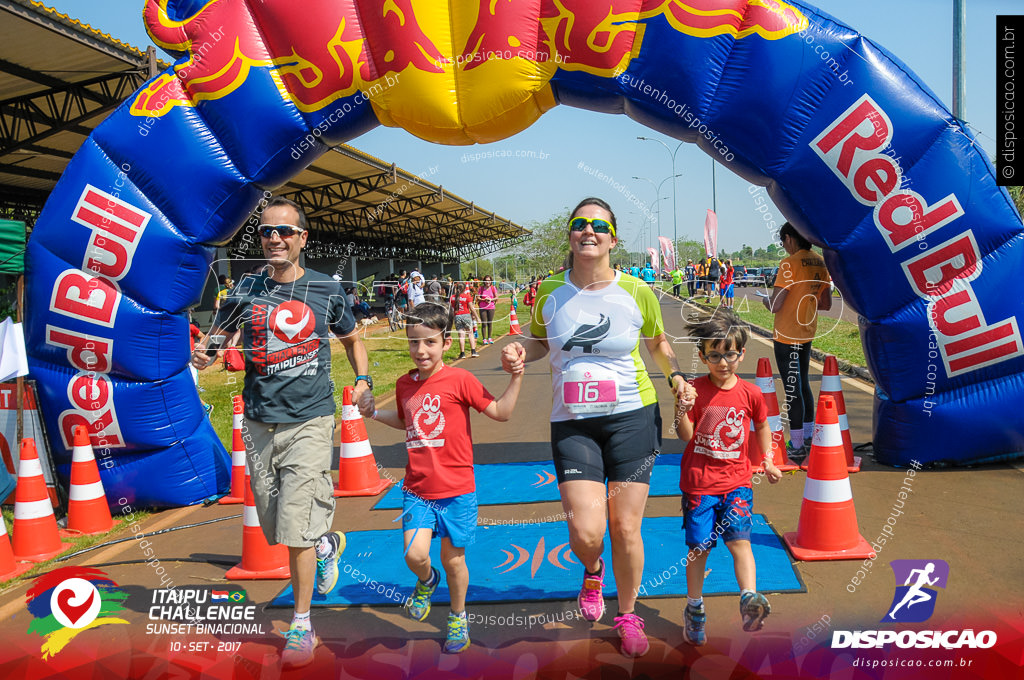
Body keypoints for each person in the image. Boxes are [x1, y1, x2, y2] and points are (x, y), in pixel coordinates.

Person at [192, 197, 374, 670]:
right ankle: (326, 543)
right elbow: (221, 337)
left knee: (294, 525)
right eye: (267, 232)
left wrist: (365, 381)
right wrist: (205, 355)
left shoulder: (325, 289)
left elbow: (353, 338)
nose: (275, 238)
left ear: (302, 239)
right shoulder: (246, 288)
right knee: (276, 523)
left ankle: (301, 622)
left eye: (285, 232)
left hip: (311, 420)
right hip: (258, 420)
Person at [501, 197, 688, 658]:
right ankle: (592, 571)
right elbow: (540, 341)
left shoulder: (637, 291)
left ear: (613, 239)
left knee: (626, 527)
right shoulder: (549, 290)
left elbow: (657, 343)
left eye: (598, 226)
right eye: (580, 224)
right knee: (586, 532)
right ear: (570, 235)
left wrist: (677, 376)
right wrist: (520, 350)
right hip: (573, 423)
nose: (589, 231)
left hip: (633, 415)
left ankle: (626, 613)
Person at [357, 303, 523, 653]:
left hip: (457, 490)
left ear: (446, 343)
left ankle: (457, 617)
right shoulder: (404, 383)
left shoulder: (460, 379)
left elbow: (502, 413)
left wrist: (516, 376)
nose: (421, 350)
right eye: (414, 342)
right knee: (414, 555)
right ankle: (426, 581)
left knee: (454, 561)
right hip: (417, 490)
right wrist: (373, 412)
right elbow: (406, 421)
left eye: (429, 342)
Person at [674, 313, 782, 647]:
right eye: (715, 355)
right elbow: (685, 436)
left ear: (742, 353)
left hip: (738, 483)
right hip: (700, 486)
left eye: (730, 354)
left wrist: (767, 459)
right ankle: (695, 608)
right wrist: (680, 407)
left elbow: (763, 426)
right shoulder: (695, 391)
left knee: (741, 542)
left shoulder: (750, 393)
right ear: (703, 355)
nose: (724, 362)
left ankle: (749, 598)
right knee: (699, 549)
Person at [762, 222, 832, 460]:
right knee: (803, 385)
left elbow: (776, 304)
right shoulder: (820, 262)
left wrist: (765, 301)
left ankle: (798, 444)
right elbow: (826, 304)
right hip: (807, 331)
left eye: (783, 243)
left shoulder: (789, 264)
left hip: (786, 333)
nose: (784, 247)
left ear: (790, 238)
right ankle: (810, 438)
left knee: (792, 388)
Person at [451, 280, 480, 359]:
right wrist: (477, 317)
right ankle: (473, 351)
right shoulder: (467, 297)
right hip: (466, 315)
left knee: (461, 335)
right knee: (470, 333)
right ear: (464, 289)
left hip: (457, 316)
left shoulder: (452, 297)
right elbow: (472, 308)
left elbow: (451, 308)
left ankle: (462, 353)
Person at [475, 275, 498, 345]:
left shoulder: (493, 288)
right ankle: (484, 339)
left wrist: (490, 299)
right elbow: (478, 297)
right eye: (486, 280)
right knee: (484, 323)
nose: (487, 282)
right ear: (484, 281)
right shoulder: (481, 288)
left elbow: (496, 297)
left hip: (491, 307)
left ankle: (489, 338)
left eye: (489, 280)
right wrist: (483, 300)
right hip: (483, 307)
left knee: (489, 323)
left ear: (491, 281)